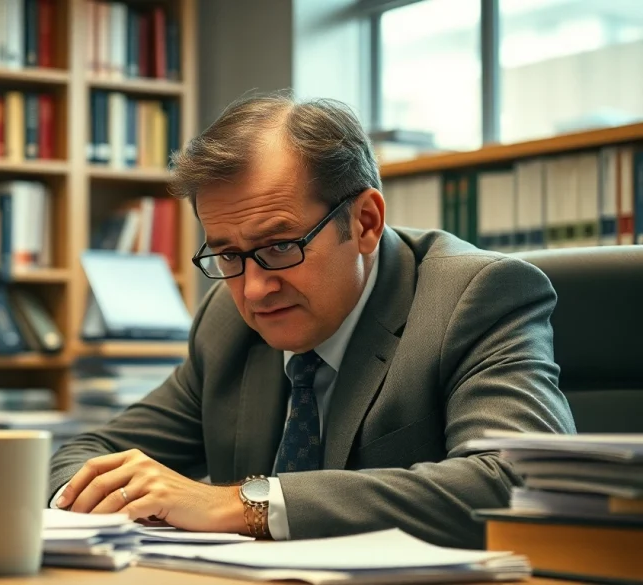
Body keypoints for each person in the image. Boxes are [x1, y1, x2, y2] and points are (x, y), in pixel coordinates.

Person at [49, 93, 576, 549]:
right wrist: (100, 494)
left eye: (279, 247)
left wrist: (244, 505)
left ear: (365, 222)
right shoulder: (227, 322)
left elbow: (519, 481)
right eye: (227, 255)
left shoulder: (476, 296)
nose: (254, 289)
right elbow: (86, 453)